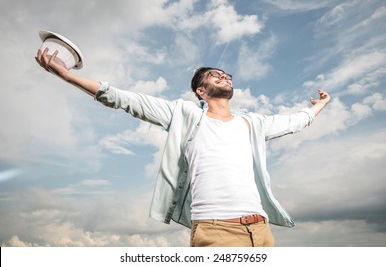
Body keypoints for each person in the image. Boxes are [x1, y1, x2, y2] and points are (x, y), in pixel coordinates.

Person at [36, 48, 331, 247]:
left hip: (261, 230)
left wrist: (319, 107)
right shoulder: (184, 115)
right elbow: (124, 99)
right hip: (215, 229)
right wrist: (67, 75)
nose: (224, 77)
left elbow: (295, 121)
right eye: (215, 75)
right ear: (200, 91)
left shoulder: (253, 124)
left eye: (227, 75)